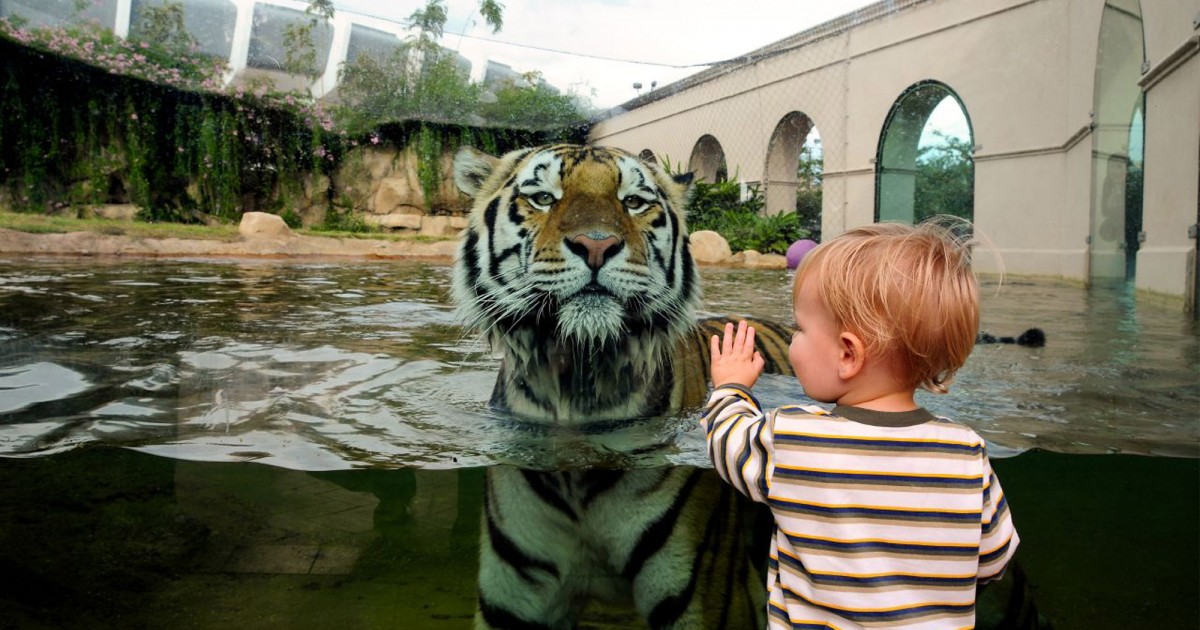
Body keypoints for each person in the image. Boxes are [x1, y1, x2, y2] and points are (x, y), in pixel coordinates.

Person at [701, 220, 1018, 629]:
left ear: (848, 354)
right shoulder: (967, 452)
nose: (793, 340)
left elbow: (727, 442)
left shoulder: (795, 439)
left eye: (800, 328)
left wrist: (730, 387)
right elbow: (994, 559)